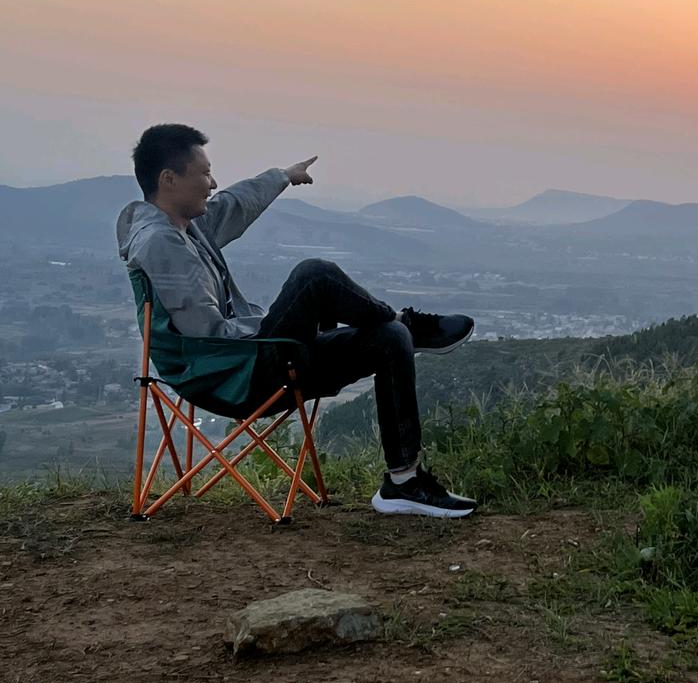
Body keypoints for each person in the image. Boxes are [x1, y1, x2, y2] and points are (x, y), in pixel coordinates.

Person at [116, 123, 477, 518]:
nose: (213, 182)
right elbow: (207, 335)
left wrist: (282, 177)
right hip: (230, 372)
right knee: (314, 276)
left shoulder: (185, 227)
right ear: (169, 180)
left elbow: (232, 205)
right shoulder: (159, 243)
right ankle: (406, 322)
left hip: (250, 361)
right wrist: (279, 324)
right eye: (203, 173)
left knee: (389, 339)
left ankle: (404, 483)